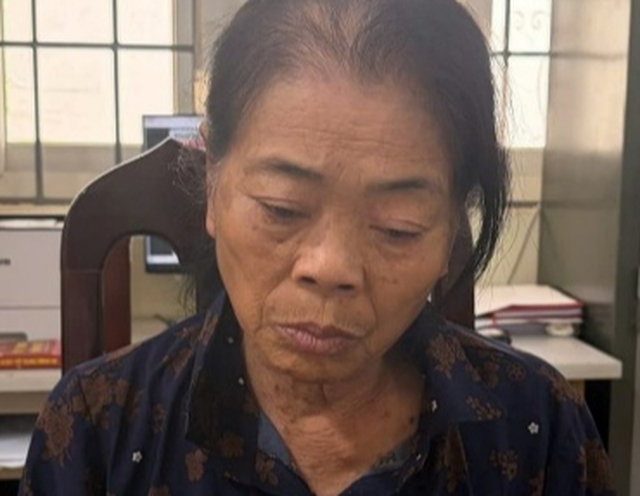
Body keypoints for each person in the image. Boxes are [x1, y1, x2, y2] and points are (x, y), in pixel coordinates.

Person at [19, 0, 615, 494]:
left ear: (450, 233)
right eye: (281, 208)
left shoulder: (537, 431)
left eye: (398, 227)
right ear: (213, 186)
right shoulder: (98, 426)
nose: (329, 268)